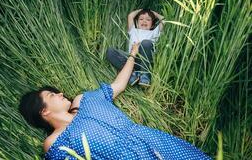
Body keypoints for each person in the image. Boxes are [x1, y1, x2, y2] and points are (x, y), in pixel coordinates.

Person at [19, 43, 211, 160]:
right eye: (52, 95)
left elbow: (118, 84)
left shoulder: (85, 99)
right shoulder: (53, 142)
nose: (60, 93)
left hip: (151, 140)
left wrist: (133, 55)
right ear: (43, 111)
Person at [106, 9, 165, 87]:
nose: (144, 21)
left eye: (148, 19)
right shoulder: (133, 30)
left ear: (152, 24)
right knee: (110, 51)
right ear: (137, 22)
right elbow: (130, 16)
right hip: (131, 59)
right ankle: (132, 74)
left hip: (145, 61)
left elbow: (163, 20)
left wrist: (154, 13)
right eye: (141, 19)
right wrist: (142, 10)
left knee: (146, 43)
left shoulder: (154, 33)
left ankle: (145, 75)